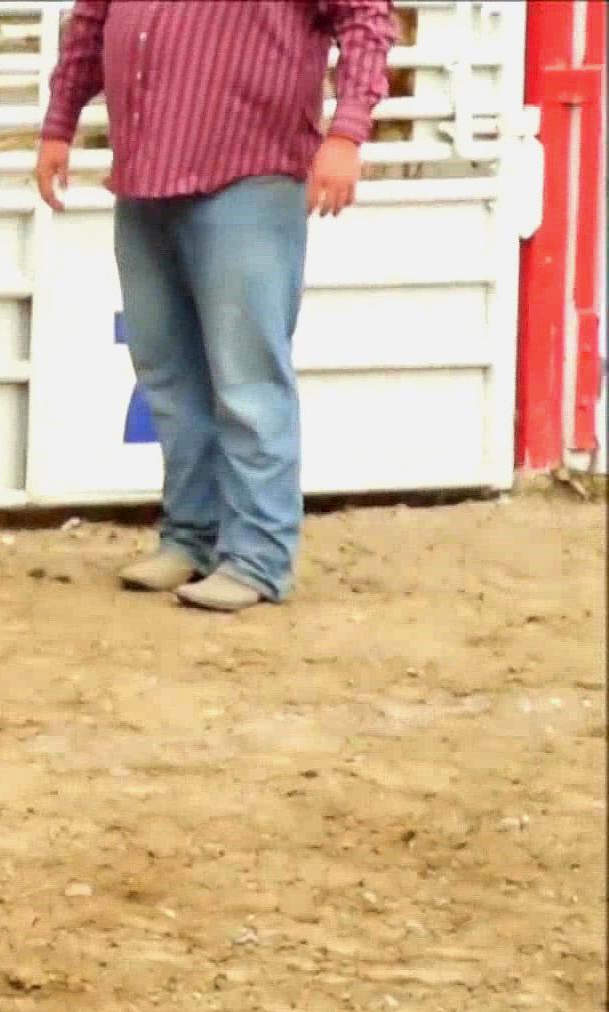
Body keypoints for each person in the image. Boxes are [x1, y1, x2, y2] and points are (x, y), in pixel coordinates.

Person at [36, 1, 396, 613]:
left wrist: (346, 131)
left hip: (248, 170)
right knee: (169, 374)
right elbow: (92, 24)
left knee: (247, 380)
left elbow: (367, 18)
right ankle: (192, 536)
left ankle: (257, 556)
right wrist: (58, 124)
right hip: (147, 173)